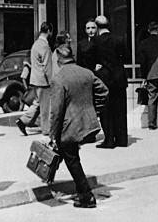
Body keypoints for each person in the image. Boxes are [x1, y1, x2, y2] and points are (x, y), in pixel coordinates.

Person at [50, 44, 109, 209]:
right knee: (72, 155)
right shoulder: (87, 72)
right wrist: (93, 110)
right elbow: (104, 91)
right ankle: (81, 191)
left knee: (71, 158)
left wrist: (52, 135)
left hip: (69, 127)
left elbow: (56, 111)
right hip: (87, 123)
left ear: (59, 59)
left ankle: (86, 195)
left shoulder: (59, 79)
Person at [93, 15, 128, 148]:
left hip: (105, 79)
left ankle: (109, 140)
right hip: (119, 78)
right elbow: (125, 57)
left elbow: (93, 59)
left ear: (97, 27)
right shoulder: (119, 40)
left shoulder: (95, 41)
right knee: (120, 109)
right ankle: (122, 139)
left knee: (106, 110)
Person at [16, 22, 53, 137]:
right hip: (44, 81)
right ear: (49, 31)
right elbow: (47, 66)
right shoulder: (44, 46)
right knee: (46, 106)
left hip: (36, 79)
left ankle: (23, 121)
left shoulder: (36, 44)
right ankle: (47, 130)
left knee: (37, 104)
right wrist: (52, 81)